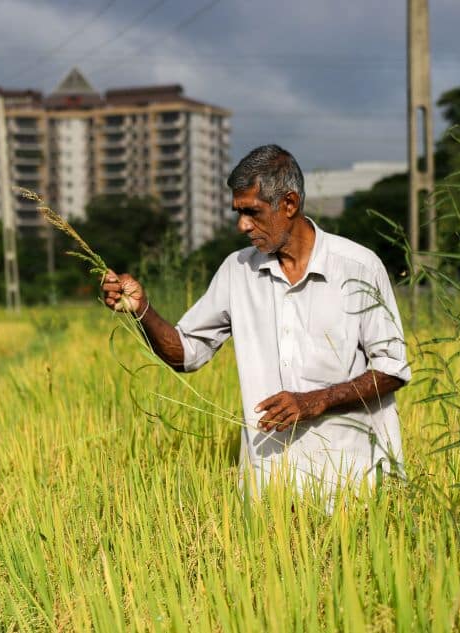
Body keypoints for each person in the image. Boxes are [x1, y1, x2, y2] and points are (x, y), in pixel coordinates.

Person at [101, 144, 411, 497]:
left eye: (252, 212)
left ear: (289, 204)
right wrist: (142, 309)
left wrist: (316, 400)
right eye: (238, 212)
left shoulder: (358, 267)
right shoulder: (237, 271)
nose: (242, 225)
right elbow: (184, 354)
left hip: (354, 482)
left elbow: (391, 369)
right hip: (270, 488)